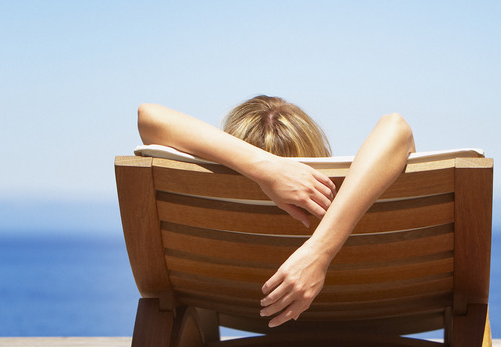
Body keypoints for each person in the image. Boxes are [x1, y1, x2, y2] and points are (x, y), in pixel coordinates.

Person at [137, 95, 415, 328]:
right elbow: (396, 127)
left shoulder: (227, 219)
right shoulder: (350, 199)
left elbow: (149, 117)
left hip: (241, 311)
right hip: (364, 311)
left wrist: (260, 169)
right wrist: (321, 250)